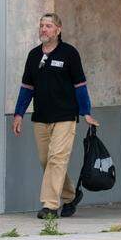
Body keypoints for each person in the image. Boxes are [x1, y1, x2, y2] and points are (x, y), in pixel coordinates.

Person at [12, 12, 99, 219]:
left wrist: (85, 112)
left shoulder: (69, 53)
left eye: (49, 26)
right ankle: (70, 195)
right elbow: (27, 87)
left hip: (65, 116)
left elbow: (80, 86)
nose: (44, 29)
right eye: (41, 25)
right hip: (41, 117)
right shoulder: (34, 55)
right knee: (46, 160)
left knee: (57, 159)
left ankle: (50, 206)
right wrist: (18, 114)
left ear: (58, 30)